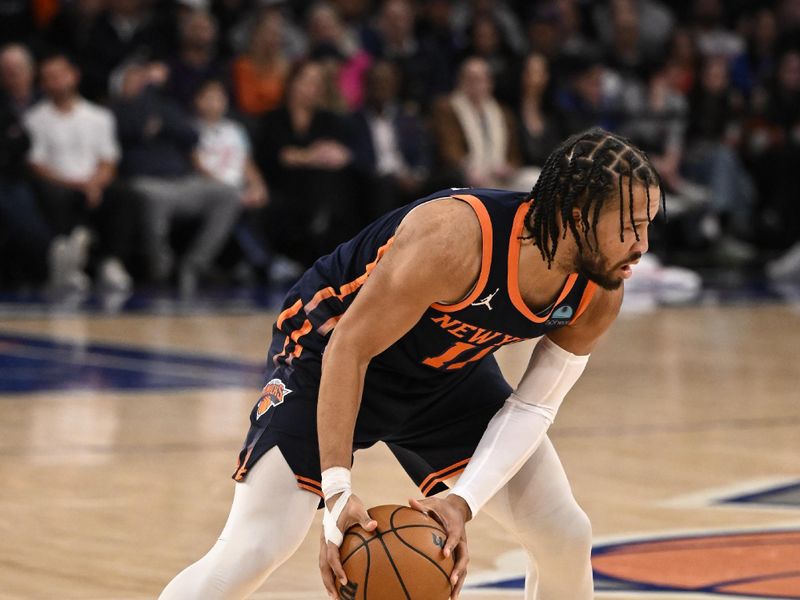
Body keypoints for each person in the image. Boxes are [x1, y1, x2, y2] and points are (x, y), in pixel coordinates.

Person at [159, 127, 664, 600]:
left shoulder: (600, 290)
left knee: (564, 532)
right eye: (630, 226)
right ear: (577, 216)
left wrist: (461, 502)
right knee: (254, 549)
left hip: (446, 378)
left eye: (647, 225)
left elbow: (534, 406)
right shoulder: (455, 237)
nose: (642, 246)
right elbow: (350, 349)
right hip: (329, 354)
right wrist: (336, 494)